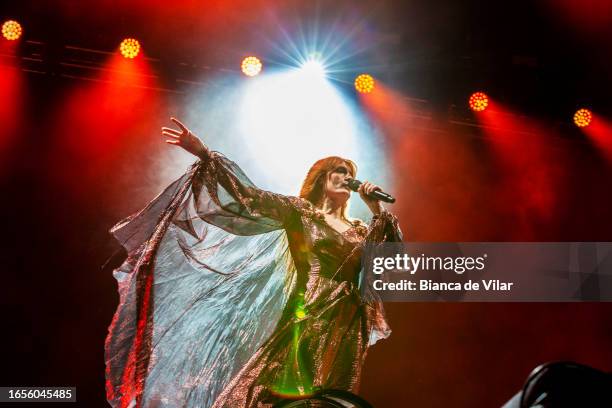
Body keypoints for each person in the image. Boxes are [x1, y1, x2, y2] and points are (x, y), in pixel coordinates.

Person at [105, 118, 403, 407]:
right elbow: (248, 196)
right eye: (339, 170)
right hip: (310, 309)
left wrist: (377, 211)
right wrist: (205, 154)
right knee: (286, 392)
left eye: (351, 171)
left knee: (334, 398)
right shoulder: (300, 212)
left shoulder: (362, 230)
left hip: (349, 320)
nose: (348, 176)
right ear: (323, 178)